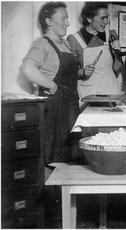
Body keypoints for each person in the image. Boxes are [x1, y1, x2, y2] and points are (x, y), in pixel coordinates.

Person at [20, 1, 80, 220]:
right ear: (48, 21)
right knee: (51, 158)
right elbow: (27, 68)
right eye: (63, 18)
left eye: (66, 18)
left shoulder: (64, 44)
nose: (68, 22)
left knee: (66, 157)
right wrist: (51, 85)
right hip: (54, 108)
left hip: (70, 106)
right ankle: (50, 214)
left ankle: (65, 212)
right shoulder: (43, 43)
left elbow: (67, 73)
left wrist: (83, 73)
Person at [67, 2, 125, 105]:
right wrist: (83, 72)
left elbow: (118, 68)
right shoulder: (74, 40)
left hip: (111, 91)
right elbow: (69, 73)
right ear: (89, 19)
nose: (106, 21)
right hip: (88, 95)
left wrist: (117, 54)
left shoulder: (111, 35)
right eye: (102, 18)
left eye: (107, 17)